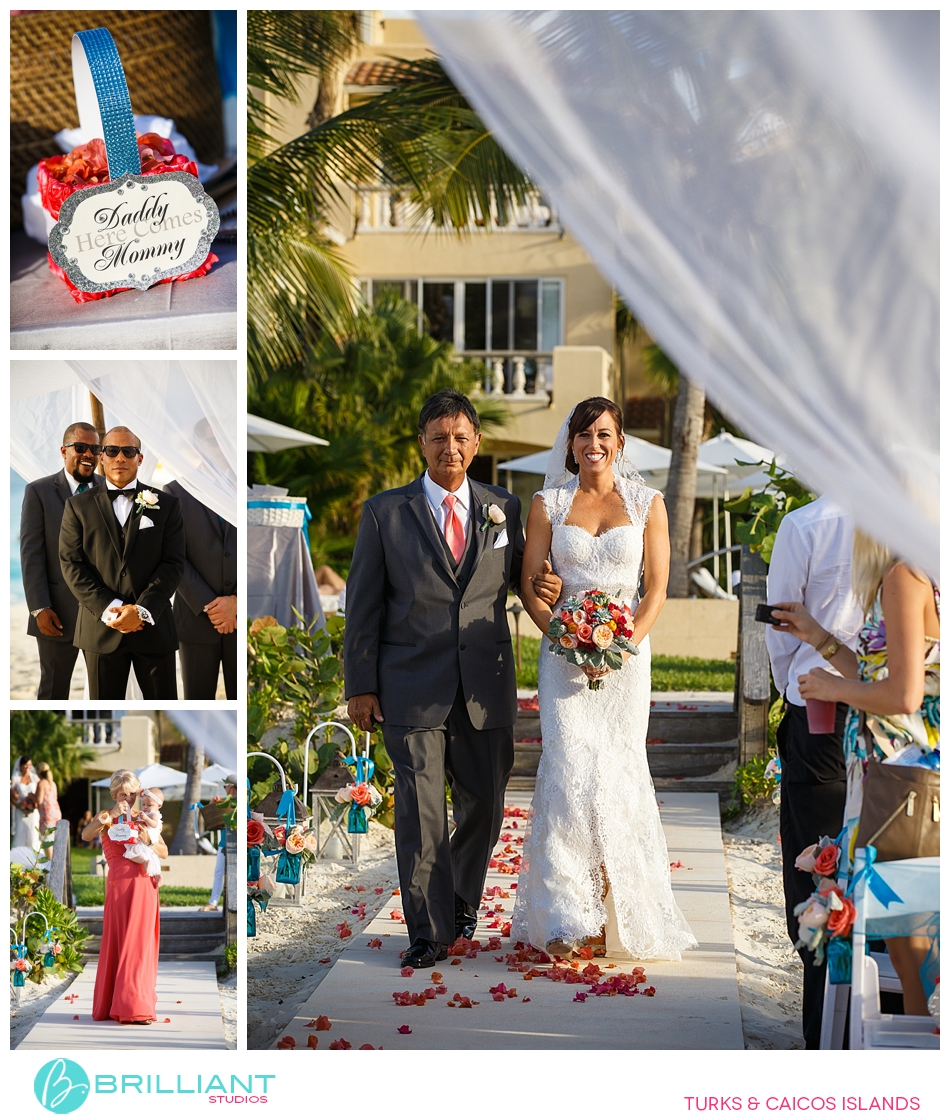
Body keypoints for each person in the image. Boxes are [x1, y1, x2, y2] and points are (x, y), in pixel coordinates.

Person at [343, 389, 562, 969]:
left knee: (486, 807)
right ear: (422, 443)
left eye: (461, 438)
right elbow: (361, 606)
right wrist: (359, 686)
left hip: (485, 687)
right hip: (409, 687)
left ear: (476, 444)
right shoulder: (385, 513)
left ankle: (461, 900)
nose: (451, 448)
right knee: (420, 810)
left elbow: (524, 581)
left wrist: (551, 595)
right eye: (439, 438)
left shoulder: (504, 509)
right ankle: (429, 930)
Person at [511, 397, 697, 960]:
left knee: (615, 776)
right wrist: (567, 637)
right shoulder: (547, 503)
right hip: (562, 659)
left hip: (626, 659)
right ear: (569, 444)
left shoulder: (649, 504)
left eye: (605, 434)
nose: (594, 443)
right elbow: (528, 584)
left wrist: (618, 644)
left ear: (619, 443)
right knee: (569, 774)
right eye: (584, 434)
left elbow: (658, 589)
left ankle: (615, 909)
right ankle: (571, 917)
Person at [773, 530, 939, 1016]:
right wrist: (816, 637)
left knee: (907, 926)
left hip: (905, 780)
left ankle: (909, 1042)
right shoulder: (920, 568)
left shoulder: (903, 574)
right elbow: (884, 676)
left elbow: (904, 696)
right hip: (907, 774)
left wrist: (832, 688)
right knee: (908, 933)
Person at [764, 496, 863, 1048]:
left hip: (819, 703)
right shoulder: (913, 521)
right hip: (897, 718)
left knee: (816, 866)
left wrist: (789, 683)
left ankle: (823, 1028)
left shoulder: (805, 524)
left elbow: (782, 623)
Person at [59, 426, 186, 700]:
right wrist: (113, 609)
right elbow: (71, 564)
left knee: (169, 715)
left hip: (153, 627)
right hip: (100, 629)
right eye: (112, 451)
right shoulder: (77, 506)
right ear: (102, 457)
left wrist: (140, 610)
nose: (120, 458)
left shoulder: (168, 505)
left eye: (128, 451)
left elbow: (173, 563)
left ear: (140, 458)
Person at [19, 422, 105, 699]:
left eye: (95, 448)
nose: (88, 454)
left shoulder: (110, 488)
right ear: (63, 450)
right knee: (53, 691)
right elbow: (31, 554)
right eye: (80, 447)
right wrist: (38, 607)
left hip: (103, 613)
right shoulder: (38, 492)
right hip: (56, 614)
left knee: (105, 693)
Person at [81, 769, 165, 1024]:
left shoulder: (143, 818)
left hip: (145, 886)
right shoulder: (106, 817)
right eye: (122, 794)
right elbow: (86, 835)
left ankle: (136, 1004)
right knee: (122, 942)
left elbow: (164, 851)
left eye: (132, 794)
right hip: (120, 886)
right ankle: (120, 1004)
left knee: (140, 945)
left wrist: (147, 841)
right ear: (114, 793)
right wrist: (110, 816)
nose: (127, 799)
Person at [163, 481, 237, 699]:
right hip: (195, 619)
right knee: (197, 702)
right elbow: (172, 555)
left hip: (242, 620)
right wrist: (211, 606)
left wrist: (237, 601)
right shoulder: (175, 492)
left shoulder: (243, 488)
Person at [202, 775, 237, 911]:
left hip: (232, 842)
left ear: (230, 786)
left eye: (225, 786)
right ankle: (214, 902)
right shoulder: (223, 802)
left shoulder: (241, 802)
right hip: (224, 841)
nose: (224, 789)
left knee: (223, 873)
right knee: (219, 872)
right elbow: (209, 816)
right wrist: (212, 803)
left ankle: (215, 902)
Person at [123, 787, 165, 887]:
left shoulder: (154, 814)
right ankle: (158, 874)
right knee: (153, 856)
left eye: (149, 805)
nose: (145, 807)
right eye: (143, 804)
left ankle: (145, 862)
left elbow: (154, 824)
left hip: (148, 838)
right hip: (144, 838)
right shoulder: (145, 813)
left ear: (159, 805)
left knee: (130, 853)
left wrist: (145, 818)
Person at [11, 756, 40, 849]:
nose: (28, 767)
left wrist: (34, 804)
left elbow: (40, 794)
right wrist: (20, 806)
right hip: (20, 811)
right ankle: (18, 859)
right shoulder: (15, 778)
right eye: (25, 765)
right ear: (20, 765)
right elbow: (11, 796)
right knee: (20, 833)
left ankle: (34, 860)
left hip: (33, 811)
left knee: (33, 834)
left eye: (30, 765)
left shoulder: (35, 778)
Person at [34, 762, 62, 848]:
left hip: (47, 813)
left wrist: (31, 796)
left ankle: (51, 861)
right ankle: (55, 859)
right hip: (56, 812)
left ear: (38, 772)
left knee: (46, 840)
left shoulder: (41, 782)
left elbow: (39, 800)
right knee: (53, 837)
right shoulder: (52, 782)